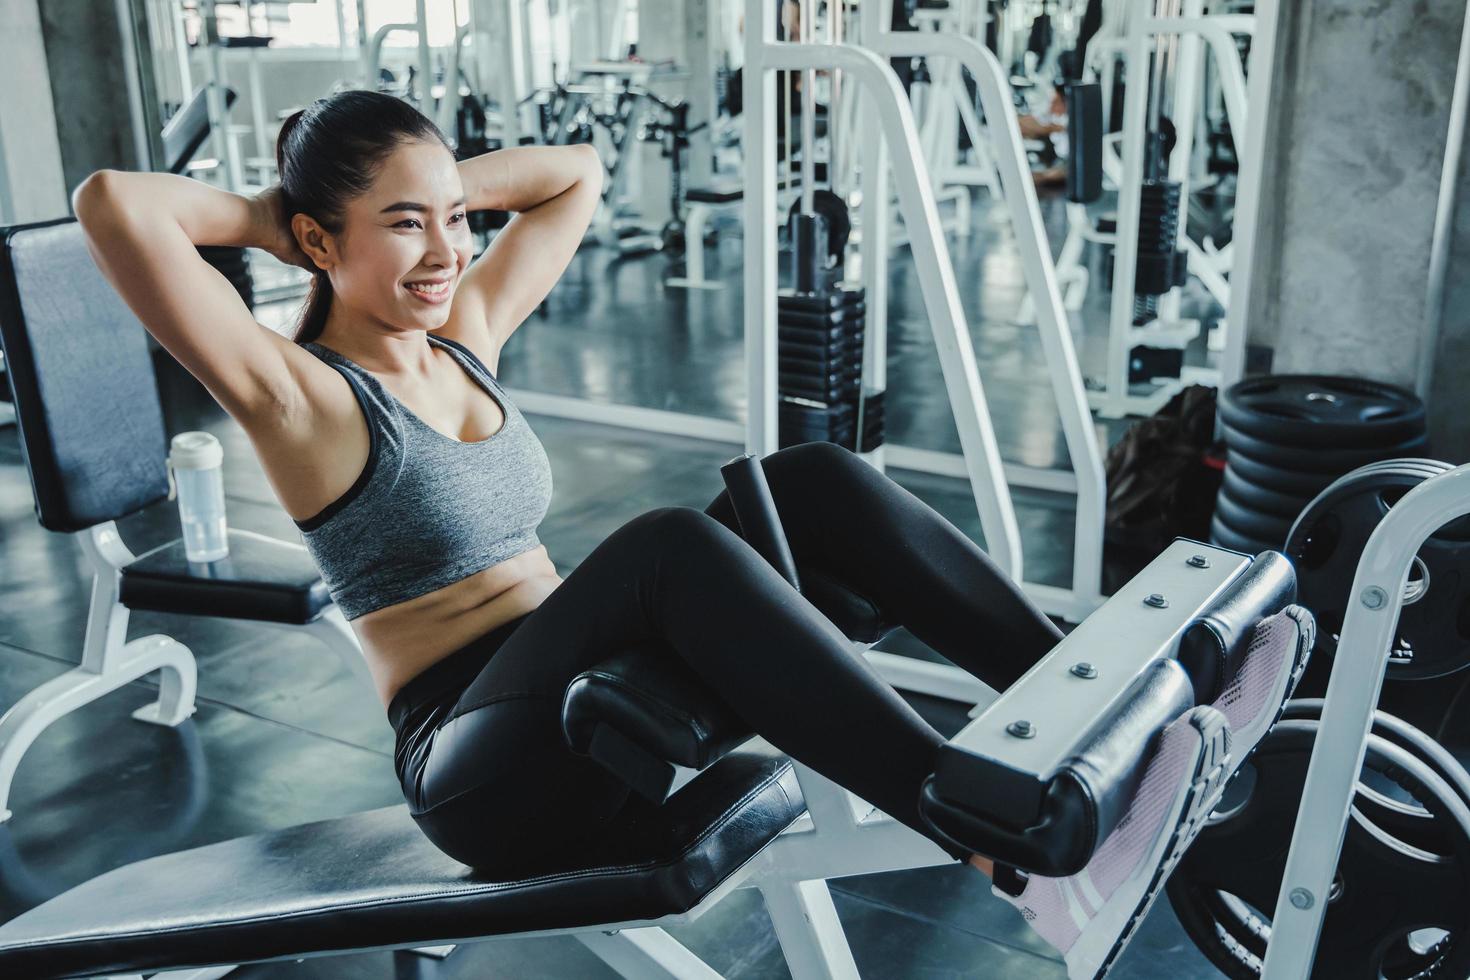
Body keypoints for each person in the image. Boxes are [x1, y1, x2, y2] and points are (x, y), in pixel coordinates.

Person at [71, 90, 1295, 975]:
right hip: (486, 765)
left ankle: (1086, 704)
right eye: (403, 226)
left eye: (454, 220)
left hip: (599, 697)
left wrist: (431, 183)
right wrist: (278, 208)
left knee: (810, 479)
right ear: (318, 242)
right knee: (663, 544)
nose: (448, 250)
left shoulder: (463, 335)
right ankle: (995, 830)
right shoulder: (302, 395)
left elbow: (573, 175)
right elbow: (113, 202)